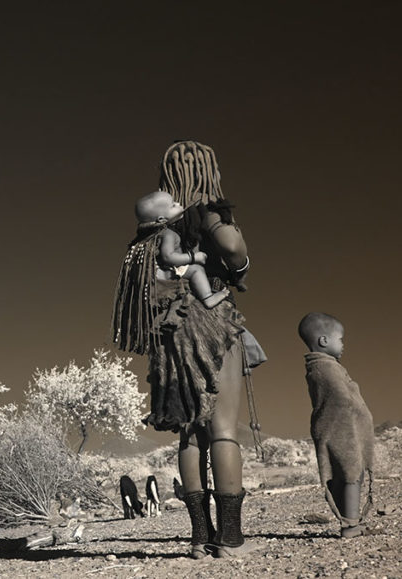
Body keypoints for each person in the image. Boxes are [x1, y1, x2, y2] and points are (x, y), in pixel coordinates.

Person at [113, 140, 255, 558]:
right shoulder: (203, 214)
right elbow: (230, 246)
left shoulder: (143, 239)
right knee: (224, 429)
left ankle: (199, 539)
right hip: (205, 324)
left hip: (166, 333)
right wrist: (241, 264)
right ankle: (230, 540)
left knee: (190, 432)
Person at [299, 312, 375, 538]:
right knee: (350, 474)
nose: (343, 345)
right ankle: (350, 525)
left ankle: (351, 522)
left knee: (349, 474)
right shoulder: (325, 368)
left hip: (340, 428)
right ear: (324, 340)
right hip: (342, 430)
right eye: (340, 339)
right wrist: (357, 412)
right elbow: (340, 399)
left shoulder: (323, 367)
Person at [134, 190, 229, 309]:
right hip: (164, 275)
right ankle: (208, 297)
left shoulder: (147, 237)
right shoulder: (168, 233)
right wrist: (193, 257)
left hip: (154, 276)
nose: (178, 203)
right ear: (161, 219)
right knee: (196, 269)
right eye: (173, 205)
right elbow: (168, 257)